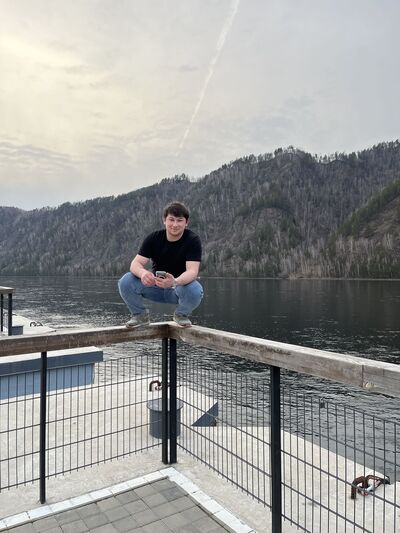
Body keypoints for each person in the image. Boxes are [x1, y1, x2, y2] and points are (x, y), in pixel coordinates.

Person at [118, 201, 203, 328]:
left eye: (179, 220)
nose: (175, 224)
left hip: (178, 289)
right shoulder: (153, 238)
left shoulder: (192, 240)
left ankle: (181, 315)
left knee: (195, 290)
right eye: (171, 220)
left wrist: (174, 282)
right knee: (126, 281)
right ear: (164, 220)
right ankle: (140, 316)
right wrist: (143, 273)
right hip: (154, 286)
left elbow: (192, 271)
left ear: (186, 222)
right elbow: (135, 263)